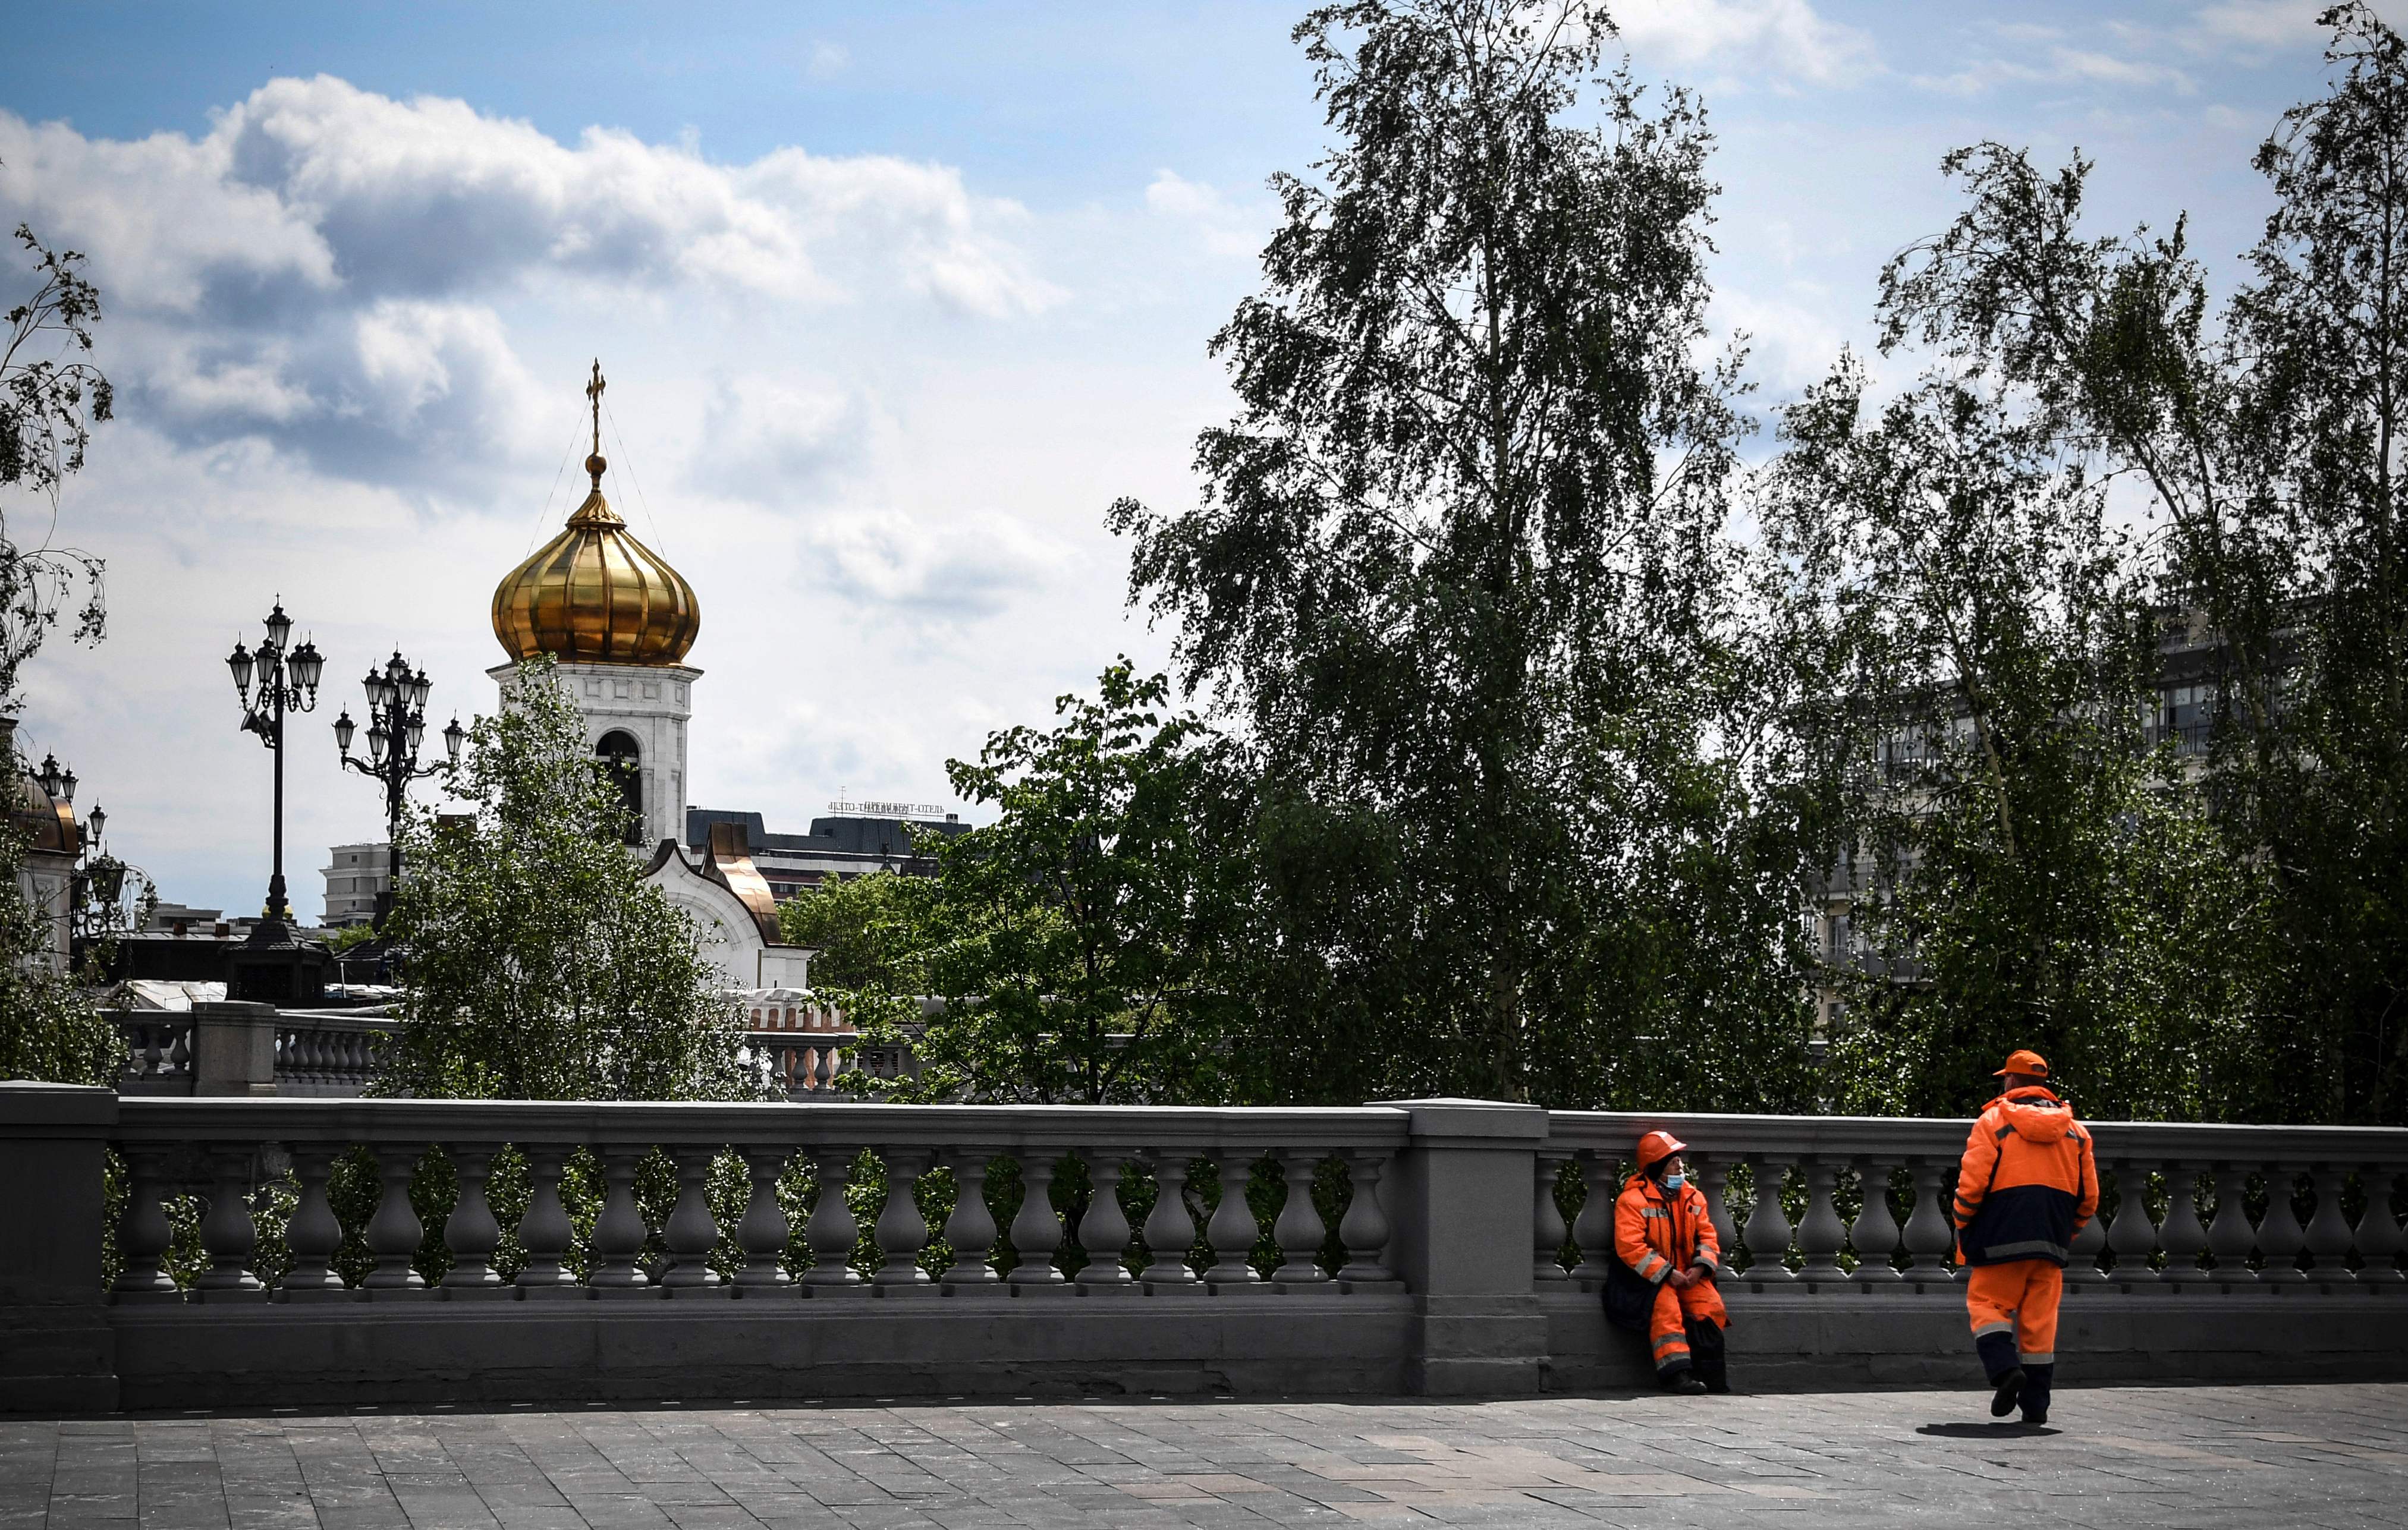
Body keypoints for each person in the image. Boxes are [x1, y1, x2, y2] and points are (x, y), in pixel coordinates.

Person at [1951, 1048, 2099, 1426]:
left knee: (1987, 1305)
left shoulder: (1994, 1121)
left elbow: (1972, 1185)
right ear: (2043, 1085)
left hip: (1999, 1237)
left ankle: (2004, 1370)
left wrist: (1964, 1222)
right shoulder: (2077, 1133)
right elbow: (2089, 1198)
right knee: (2040, 1322)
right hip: (2050, 1241)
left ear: (2012, 1081)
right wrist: (2066, 1232)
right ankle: (2036, 1404)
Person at [1614, 1128, 1728, 1394]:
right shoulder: (1632, 1200)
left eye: (1679, 1158)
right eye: (1672, 1160)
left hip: (1689, 1274)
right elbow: (1630, 1247)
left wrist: (1700, 1268)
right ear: (1657, 1167)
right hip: (1651, 1280)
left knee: (1710, 1306)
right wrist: (1667, 1273)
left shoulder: (1692, 1197)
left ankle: (1711, 1375)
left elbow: (1708, 1236)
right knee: (1666, 1310)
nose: (1679, 1165)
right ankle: (1676, 1375)